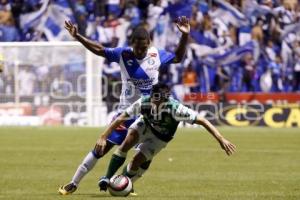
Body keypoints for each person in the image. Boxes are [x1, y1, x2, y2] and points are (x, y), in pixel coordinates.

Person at [58, 16, 190, 195]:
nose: (140, 50)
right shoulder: (123, 54)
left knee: (144, 157)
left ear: (149, 43)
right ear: (131, 43)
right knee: (101, 148)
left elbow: (178, 58)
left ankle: (125, 182)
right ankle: (73, 183)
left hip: (149, 114)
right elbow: (99, 49)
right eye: (137, 47)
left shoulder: (156, 55)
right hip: (127, 112)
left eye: (144, 47)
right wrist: (78, 37)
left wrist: (184, 36)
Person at [95, 83, 236, 194]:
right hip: (145, 125)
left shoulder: (176, 109)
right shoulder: (143, 102)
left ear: (165, 99)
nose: (154, 103)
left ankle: (124, 183)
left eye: (158, 100)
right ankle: (107, 177)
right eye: (153, 98)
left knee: (136, 161)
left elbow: (203, 121)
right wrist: (103, 136)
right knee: (127, 142)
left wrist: (221, 139)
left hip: (161, 137)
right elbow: (120, 118)